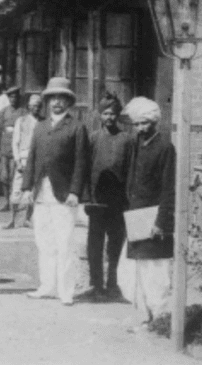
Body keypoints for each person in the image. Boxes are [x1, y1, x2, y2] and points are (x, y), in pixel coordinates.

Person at [20, 77, 89, 306]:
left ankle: (65, 290)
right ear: (47, 101)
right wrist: (27, 187)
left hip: (63, 195)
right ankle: (47, 286)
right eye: (53, 98)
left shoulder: (76, 127)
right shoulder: (40, 126)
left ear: (68, 102)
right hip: (41, 193)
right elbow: (32, 158)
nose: (57, 102)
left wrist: (75, 192)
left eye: (62, 98)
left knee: (65, 243)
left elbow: (81, 163)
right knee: (44, 242)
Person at [123, 97, 176, 331]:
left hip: (154, 218)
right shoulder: (136, 144)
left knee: (156, 272)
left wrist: (161, 221)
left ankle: (160, 318)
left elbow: (169, 188)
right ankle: (144, 316)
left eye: (145, 123)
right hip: (136, 214)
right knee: (137, 271)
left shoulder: (165, 148)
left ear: (155, 122)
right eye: (136, 124)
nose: (140, 128)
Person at [78, 93, 132, 302]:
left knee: (115, 244)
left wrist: (128, 199)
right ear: (100, 115)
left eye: (113, 114)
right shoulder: (93, 138)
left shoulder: (126, 139)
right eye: (106, 113)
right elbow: (85, 168)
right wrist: (86, 197)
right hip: (97, 200)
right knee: (95, 244)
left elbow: (130, 170)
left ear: (118, 116)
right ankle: (96, 285)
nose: (109, 117)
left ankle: (113, 284)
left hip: (118, 201)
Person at [6, 93, 42, 229]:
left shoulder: (43, 123)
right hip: (23, 159)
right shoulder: (21, 121)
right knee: (16, 190)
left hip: (37, 160)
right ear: (29, 107)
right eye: (33, 106)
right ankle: (12, 219)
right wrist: (17, 160)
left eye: (38, 106)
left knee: (33, 191)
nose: (36, 108)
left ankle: (27, 218)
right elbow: (15, 142)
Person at [0, 86, 26, 214]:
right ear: (8, 98)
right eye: (11, 97)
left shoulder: (23, 112)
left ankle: (15, 203)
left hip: (16, 149)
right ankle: (6, 202)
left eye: (15, 97)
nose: (13, 99)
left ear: (19, 98)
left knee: (15, 176)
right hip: (5, 148)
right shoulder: (3, 112)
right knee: (4, 176)